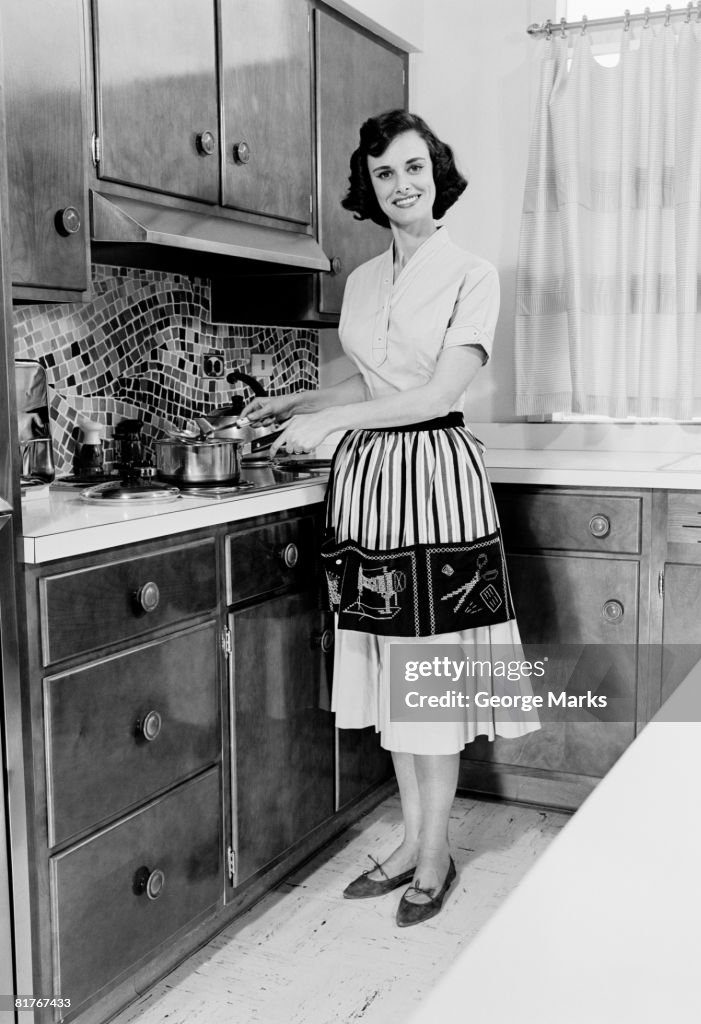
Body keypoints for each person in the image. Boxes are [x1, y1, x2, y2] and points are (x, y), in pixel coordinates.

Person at [239, 110, 539, 927]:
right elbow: (370, 385)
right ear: (367, 188)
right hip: (371, 489)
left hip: (435, 486)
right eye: (384, 174)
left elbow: (439, 395)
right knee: (390, 672)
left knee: (427, 679)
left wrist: (331, 426)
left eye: (413, 168)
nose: (401, 185)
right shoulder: (365, 281)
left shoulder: (473, 274)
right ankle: (412, 840)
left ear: (437, 174)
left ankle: (435, 853)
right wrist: (298, 401)